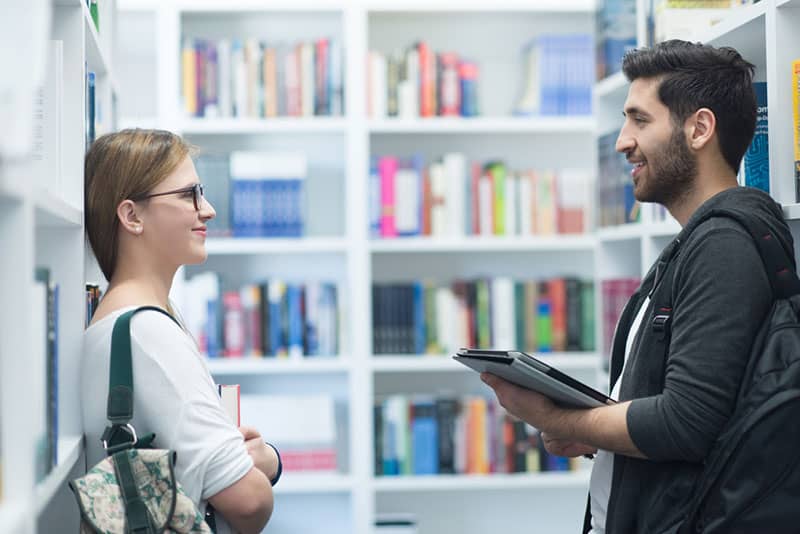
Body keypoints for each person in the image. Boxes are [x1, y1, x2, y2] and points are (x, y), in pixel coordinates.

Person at [481, 40, 795, 532]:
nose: (622, 141)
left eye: (640, 120)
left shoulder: (723, 246)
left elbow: (685, 424)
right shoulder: (697, 240)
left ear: (699, 128)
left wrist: (556, 418)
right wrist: (594, 433)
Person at [82, 128, 279, 534]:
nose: (207, 210)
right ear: (131, 216)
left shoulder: (130, 319)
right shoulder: (149, 335)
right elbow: (250, 501)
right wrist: (269, 462)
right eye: (188, 194)